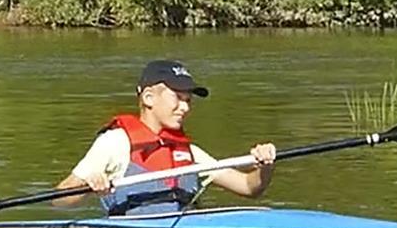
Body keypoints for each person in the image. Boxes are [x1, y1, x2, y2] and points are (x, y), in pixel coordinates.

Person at [60, 60, 275, 216]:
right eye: (178, 98)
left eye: (188, 100)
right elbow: (60, 199)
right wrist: (89, 185)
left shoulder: (189, 152)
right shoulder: (115, 142)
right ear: (149, 98)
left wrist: (264, 165)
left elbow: (249, 188)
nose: (185, 107)